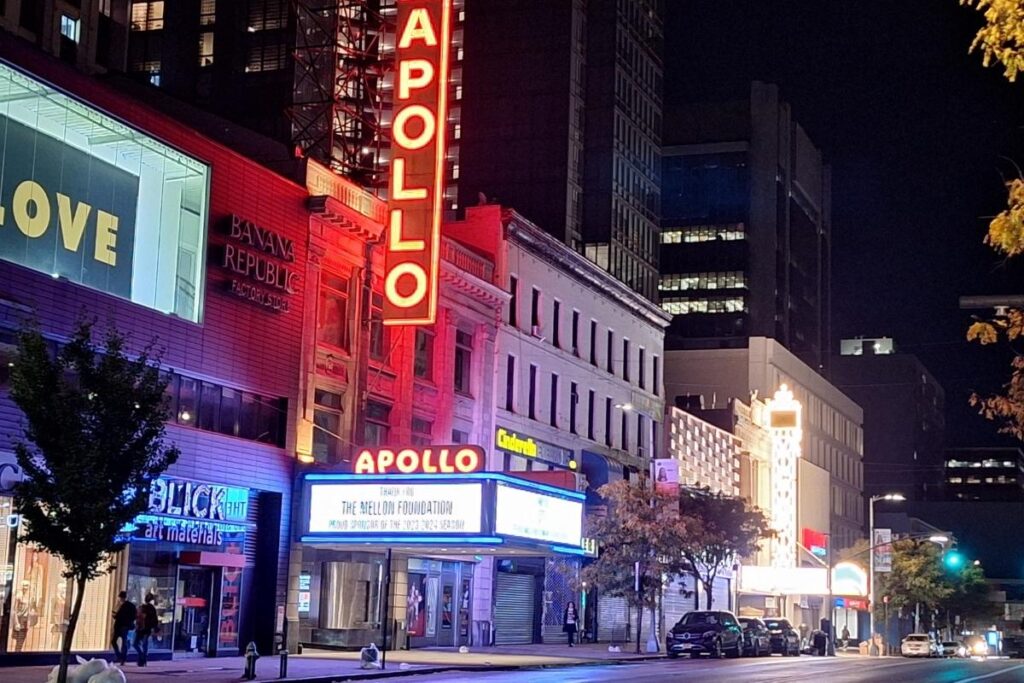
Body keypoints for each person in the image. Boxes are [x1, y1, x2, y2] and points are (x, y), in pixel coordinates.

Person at [111, 591, 136, 665]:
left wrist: (115, 614)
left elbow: (116, 615)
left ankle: (120, 657)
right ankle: (122, 658)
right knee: (123, 642)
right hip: (125, 626)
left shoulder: (121, 606)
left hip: (120, 626)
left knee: (115, 641)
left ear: (120, 598)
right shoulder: (131, 606)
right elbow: (134, 615)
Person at [134, 594, 159, 666]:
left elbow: (154, 619)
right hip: (142, 627)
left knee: (140, 643)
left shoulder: (147, 608)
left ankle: (142, 658)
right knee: (141, 643)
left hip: (144, 627)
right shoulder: (144, 607)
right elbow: (154, 619)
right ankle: (143, 657)